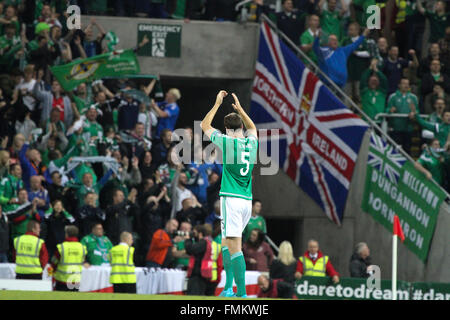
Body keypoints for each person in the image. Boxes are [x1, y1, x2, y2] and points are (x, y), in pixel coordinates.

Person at [200, 90, 258, 298]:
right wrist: (241, 109)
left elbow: (204, 126)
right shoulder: (252, 142)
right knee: (226, 242)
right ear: (241, 126)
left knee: (235, 247)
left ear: (226, 128)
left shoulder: (226, 141)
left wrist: (217, 104)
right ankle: (227, 288)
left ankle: (240, 294)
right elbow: (252, 128)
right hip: (247, 201)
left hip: (231, 199)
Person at [185, 224, 223, 296]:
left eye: (194, 233)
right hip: (210, 275)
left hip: (199, 275)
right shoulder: (212, 244)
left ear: (200, 234)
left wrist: (188, 239)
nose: (193, 235)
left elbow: (191, 249)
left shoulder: (203, 243)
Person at [386, 78, 418, 155]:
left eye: (407, 84)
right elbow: (386, 110)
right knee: (394, 151)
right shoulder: (393, 96)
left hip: (408, 128)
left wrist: (414, 113)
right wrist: (390, 110)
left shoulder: (413, 97)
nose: (406, 86)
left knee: (407, 150)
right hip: (395, 128)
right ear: (399, 85)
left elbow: (417, 110)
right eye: (404, 83)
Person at [51, 225, 87, 291]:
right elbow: (83, 260)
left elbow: (54, 262)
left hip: (62, 279)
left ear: (66, 234)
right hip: (76, 279)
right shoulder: (82, 247)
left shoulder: (62, 247)